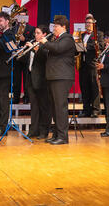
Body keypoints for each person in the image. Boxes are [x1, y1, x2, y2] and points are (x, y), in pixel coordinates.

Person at [38, 15, 76, 145]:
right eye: (53, 26)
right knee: (54, 107)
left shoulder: (68, 38)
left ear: (63, 27)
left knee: (60, 107)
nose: (53, 28)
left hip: (62, 77)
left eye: (56, 26)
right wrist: (41, 46)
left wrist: (46, 43)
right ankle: (56, 134)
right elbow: (49, 51)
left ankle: (63, 137)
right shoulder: (56, 38)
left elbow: (58, 49)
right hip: (54, 76)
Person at [24, 25, 51, 139]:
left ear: (44, 34)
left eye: (38, 33)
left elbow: (46, 57)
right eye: (35, 33)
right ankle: (33, 130)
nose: (36, 35)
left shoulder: (46, 45)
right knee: (34, 106)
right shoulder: (33, 43)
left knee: (44, 106)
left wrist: (35, 49)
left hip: (42, 80)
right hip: (31, 78)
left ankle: (44, 131)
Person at [78, 15, 103, 118]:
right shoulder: (82, 35)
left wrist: (85, 46)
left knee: (94, 87)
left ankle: (96, 109)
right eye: (86, 23)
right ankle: (86, 109)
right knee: (84, 87)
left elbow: (100, 46)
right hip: (83, 64)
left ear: (93, 24)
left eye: (90, 23)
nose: (87, 25)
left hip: (93, 64)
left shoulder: (99, 34)